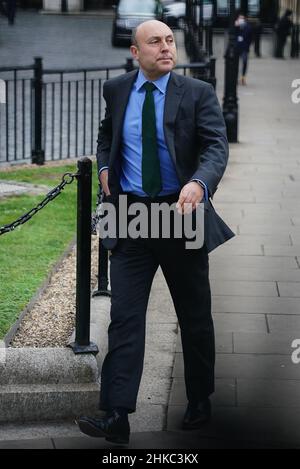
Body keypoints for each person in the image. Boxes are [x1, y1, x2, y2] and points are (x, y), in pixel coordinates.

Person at [77, 20, 234, 445]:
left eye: (170, 41)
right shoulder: (117, 89)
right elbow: (108, 131)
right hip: (129, 216)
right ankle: (117, 415)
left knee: (194, 315)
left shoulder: (197, 93)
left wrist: (199, 183)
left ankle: (200, 398)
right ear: (135, 52)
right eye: (155, 42)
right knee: (125, 318)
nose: (166, 48)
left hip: (179, 214)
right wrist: (106, 166)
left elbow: (216, 146)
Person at [235, 13, 253, 85]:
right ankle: (235, 78)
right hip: (237, 48)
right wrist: (236, 27)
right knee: (235, 63)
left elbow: (250, 38)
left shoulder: (248, 27)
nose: (241, 20)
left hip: (244, 48)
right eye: (239, 18)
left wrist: (247, 45)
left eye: (242, 18)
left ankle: (243, 77)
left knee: (244, 62)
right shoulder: (236, 26)